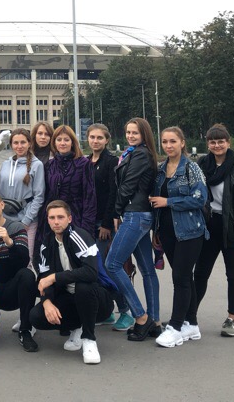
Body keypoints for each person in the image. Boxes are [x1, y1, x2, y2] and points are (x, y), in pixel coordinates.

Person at [29, 200, 113, 364]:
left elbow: (91, 273)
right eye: (52, 218)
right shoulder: (46, 244)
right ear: (48, 220)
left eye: (60, 217)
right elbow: (44, 279)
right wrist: (46, 302)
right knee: (36, 316)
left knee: (83, 286)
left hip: (98, 300)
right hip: (69, 297)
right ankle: (77, 327)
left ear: (69, 219)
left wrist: (55, 277)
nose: (56, 222)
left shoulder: (79, 236)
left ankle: (89, 339)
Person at [194, 124, 234, 338]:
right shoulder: (201, 166)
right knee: (200, 273)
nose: (217, 145)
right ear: (207, 145)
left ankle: (232, 319)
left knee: (233, 275)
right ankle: (189, 315)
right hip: (209, 225)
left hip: (232, 228)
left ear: (228, 143)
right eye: (212, 142)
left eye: (221, 141)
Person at [148, 126, 209, 348]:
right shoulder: (160, 169)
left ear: (182, 143)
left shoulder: (192, 168)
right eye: (165, 142)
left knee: (180, 278)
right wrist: (156, 230)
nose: (168, 145)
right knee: (185, 278)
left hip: (190, 232)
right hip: (167, 233)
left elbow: (200, 198)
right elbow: (155, 203)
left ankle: (175, 327)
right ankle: (191, 324)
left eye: (173, 141)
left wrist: (169, 202)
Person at [104, 117, 161, 342]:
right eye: (128, 132)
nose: (130, 136)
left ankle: (141, 316)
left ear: (144, 134)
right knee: (147, 269)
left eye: (135, 133)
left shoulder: (140, 154)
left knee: (112, 264)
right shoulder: (135, 153)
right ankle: (154, 322)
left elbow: (128, 185)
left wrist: (116, 212)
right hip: (140, 214)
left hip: (134, 215)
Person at [0, 187, 37, 352]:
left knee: (27, 275)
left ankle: (25, 330)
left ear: (2, 205)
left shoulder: (16, 228)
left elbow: (23, 261)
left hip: (12, 290)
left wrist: (10, 242)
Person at [87, 123, 131, 331]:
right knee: (94, 269)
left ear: (107, 140)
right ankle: (107, 311)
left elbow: (114, 194)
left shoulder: (112, 161)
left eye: (100, 138)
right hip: (89, 222)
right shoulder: (86, 161)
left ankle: (126, 311)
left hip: (103, 224)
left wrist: (106, 223)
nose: (95, 141)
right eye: (92, 137)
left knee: (107, 268)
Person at [37, 125, 95, 256]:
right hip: (53, 220)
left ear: (72, 142)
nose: (62, 143)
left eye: (66, 140)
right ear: (54, 142)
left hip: (76, 218)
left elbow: (89, 197)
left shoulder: (84, 164)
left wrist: (86, 227)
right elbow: (46, 194)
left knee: (75, 258)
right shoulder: (49, 165)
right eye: (59, 140)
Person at [0, 128, 45, 255]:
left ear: (29, 143)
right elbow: (0, 192)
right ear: (11, 144)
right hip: (6, 220)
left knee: (25, 256)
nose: (19, 146)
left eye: (23, 142)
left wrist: (26, 220)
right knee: (6, 255)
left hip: (26, 220)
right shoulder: (6, 164)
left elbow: (39, 196)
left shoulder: (37, 165)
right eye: (16, 143)